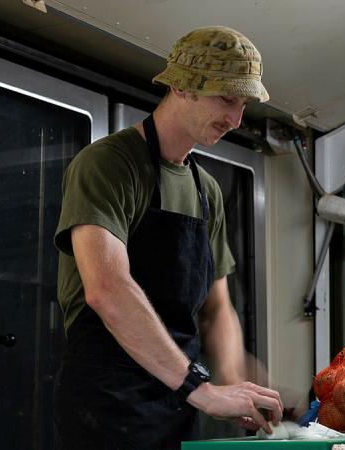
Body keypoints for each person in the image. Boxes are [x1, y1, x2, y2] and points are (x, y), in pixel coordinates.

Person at [53, 26, 282, 449]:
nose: (236, 120)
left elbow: (217, 311)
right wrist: (201, 387)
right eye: (226, 98)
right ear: (181, 86)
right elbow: (107, 290)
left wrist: (236, 385)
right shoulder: (108, 164)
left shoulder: (206, 190)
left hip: (176, 408)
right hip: (106, 408)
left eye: (244, 104)